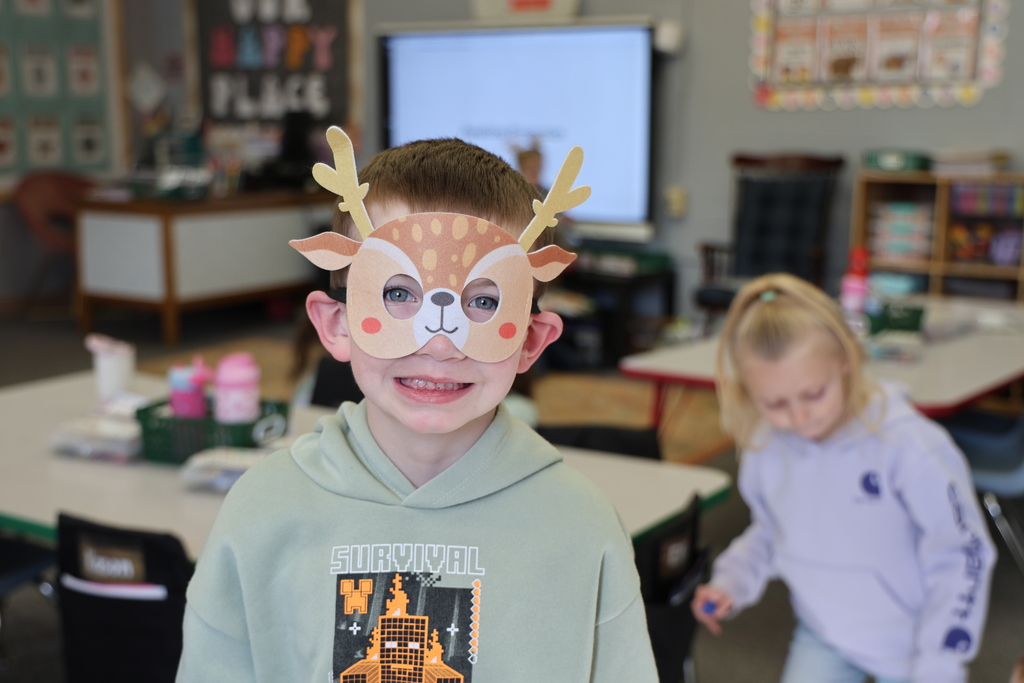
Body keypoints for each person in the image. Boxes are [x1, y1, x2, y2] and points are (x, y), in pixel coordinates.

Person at [176, 127, 659, 682]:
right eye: (398, 293)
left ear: (530, 339)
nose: (438, 342)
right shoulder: (260, 512)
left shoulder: (584, 526)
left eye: (483, 301)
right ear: (336, 324)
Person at [690, 273, 996, 683]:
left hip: (915, 645)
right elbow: (770, 532)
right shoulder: (766, 445)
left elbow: (962, 554)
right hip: (826, 632)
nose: (798, 417)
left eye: (814, 394)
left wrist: (940, 662)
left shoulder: (910, 446)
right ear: (748, 391)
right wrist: (732, 580)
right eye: (775, 403)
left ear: (846, 361)